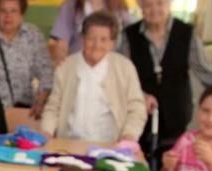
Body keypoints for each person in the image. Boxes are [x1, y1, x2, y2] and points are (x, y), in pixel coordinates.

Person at [121, 0, 212, 160]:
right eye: (148, 4)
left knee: (172, 163)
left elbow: (205, 70)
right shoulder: (129, 35)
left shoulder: (186, 33)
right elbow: (122, 76)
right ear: (140, 6)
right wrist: (140, 95)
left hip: (176, 113)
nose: (154, 9)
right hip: (139, 114)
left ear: (169, 3)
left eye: (160, 3)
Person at [39, 11, 146, 142]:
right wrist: (46, 132)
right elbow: (53, 107)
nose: (97, 45)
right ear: (82, 39)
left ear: (112, 43)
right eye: (91, 38)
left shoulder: (125, 68)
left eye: (103, 40)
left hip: (110, 146)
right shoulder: (66, 67)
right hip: (69, 143)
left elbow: (137, 108)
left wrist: (129, 135)